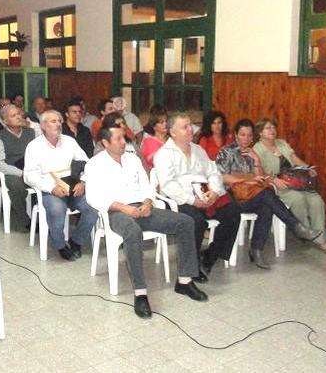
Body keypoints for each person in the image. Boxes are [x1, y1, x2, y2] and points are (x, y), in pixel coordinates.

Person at [85, 124, 207, 318]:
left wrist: (149, 202)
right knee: (133, 232)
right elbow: (93, 197)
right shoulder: (94, 164)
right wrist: (123, 208)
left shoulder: (132, 159)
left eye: (124, 137)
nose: (124, 142)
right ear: (105, 143)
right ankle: (140, 293)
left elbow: (146, 186)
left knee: (186, 221)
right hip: (116, 212)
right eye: (118, 139)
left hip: (143, 208)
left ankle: (184, 281)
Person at [216, 119, 322, 268]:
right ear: (236, 135)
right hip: (232, 199)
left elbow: (260, 178)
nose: (246, 139)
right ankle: (296, 227)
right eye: (242, 135)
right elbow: (222, 177)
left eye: (249, 135)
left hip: (250, 196)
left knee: (266, 206)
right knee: (266, 196)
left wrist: (256, 160)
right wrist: (247, 180)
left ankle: (256, 250)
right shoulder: (226, 152)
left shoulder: (252, 152)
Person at [154, 113, 242, 282]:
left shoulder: (198, 150)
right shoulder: (164, 154)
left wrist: (214, 191)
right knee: (195, 221)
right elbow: (168, 186)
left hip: (205, 195)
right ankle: (191, 267)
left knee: (233, 212)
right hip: (180, 200)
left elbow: (213, 172)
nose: (190, 130)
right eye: (184, 127)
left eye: (190, 126)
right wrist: (193, 200)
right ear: (173, 132)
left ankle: (210, 255)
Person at [24, 110, 98, 261]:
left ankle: (76, 241)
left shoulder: (69, 141)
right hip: (51, 189)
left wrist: (83, 182)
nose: (58, 124)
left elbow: (87, 163)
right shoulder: (34, 146)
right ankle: (60, 245)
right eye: (53, 121)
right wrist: (51, 188)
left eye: (59, 121)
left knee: (93, 207)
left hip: (73, 187)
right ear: (43, 126)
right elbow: (29, 175)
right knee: (57, 209)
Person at [253, 118, 326, 253]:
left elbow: (294, 158)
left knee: (316, 200)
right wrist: (273, 180)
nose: (272, 130)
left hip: (296, 181)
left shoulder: (281, 143)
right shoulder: (257, 148)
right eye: (268, 128)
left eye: (273, 127)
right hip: (279, 185)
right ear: (260, 132)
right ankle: (306, 233)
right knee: (298, 199)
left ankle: (319, 238)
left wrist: (307, 168)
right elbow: (258, 172)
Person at [0, 105, 35, 231]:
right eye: (13, 115)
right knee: (15, 184)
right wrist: (21, 173)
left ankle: (42, 217)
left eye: (19, 114)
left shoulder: (30, 132)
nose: (18, 117)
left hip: (29, 169)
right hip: (8, 173)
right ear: (5, 121)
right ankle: (25, 220)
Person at [140, 105, 168, 171]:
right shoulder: (148, 142)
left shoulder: (171, 140)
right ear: (154, 126)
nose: (165, 124)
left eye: (166, 121)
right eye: (162, 122)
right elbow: (152, 161)